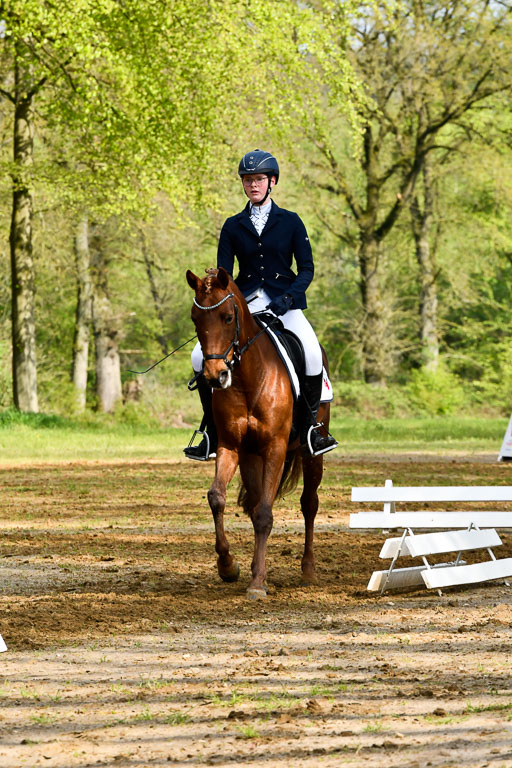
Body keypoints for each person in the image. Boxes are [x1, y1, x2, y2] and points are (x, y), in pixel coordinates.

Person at [184, 149, 337, 460]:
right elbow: (223, 275)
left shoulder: (291, 222)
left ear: (272, 182)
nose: (252, 184)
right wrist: (212, 289)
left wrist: (290, 296)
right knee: (199, 355)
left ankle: (310, 428)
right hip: (247, 303)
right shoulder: (232, 225)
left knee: (310, 353)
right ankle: (211, 431)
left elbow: (306, 268)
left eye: (258, 179)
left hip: (286, 304)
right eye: (247, 179)